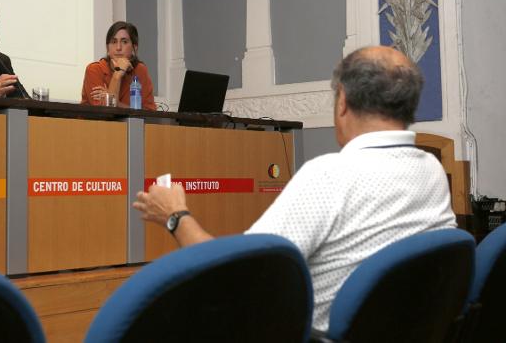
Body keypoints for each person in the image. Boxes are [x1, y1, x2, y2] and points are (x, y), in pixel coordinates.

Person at [133, 46, 457, 331]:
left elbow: (233, 276)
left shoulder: (328, 176)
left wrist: (175, 215)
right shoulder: (432, 171)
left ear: (342, 100)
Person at [81, 21, 156, 110]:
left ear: (134, 47)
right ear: (107, 48)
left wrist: (116, 103)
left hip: (129, 124)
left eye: (124, 42)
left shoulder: (140, 70)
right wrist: (117, 74)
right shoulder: (94, 69)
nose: (118, 48)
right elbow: (105, 112)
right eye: (113, 42)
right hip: (95, 123)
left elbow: (150, 112)